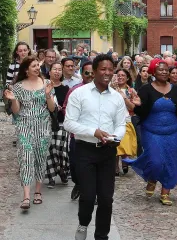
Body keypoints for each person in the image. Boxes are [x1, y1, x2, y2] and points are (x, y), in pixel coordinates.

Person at [64, 54, 128, 240]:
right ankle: (83, 224)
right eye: (103, 69)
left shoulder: (116, 98)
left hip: (108, 151)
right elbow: (69, 124)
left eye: (110, 69)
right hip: (85, 150)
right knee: (88, 196)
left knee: (106, 199)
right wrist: (93, 131)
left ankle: (102, 236)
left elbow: (121, 124)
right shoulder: (79, 94)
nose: (107, 73)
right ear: (94, 71)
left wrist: (116, 137)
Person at [124, 59, 177, 206]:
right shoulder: (146, 89)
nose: (163, 72)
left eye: (166, 70)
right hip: (152, 132)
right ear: (153, 72)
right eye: (160, 70)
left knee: (171, 161)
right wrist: (135, 105)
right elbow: (141, 112)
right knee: (156, 161)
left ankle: (165, 192)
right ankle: (151, 178)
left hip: (173, 132)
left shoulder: (176, 90)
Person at [3, 56, 56, 210]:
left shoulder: (46, 83)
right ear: (26, 70)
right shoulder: (17, 87)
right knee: (25, 157)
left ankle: (37, 192)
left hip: (43, 126)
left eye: (37, 66)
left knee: (40, 157)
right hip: (24, 125)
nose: (37, 68)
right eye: (33, 66)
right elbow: (16, 111)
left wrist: (47, 94)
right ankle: (26, 196)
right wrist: (13, 99)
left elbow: (52, 108)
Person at [62, 61, 93, 201]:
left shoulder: (103, 90)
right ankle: (78, 183)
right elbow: (65, 108)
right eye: (87, 73)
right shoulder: (74, 90)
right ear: (82, 74)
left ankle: (93, 193)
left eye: (93, 72)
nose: (91, 75)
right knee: (74, 166)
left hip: (95, 137)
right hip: (77, 135)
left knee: (93, 167)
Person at [45, 63, 71, 188]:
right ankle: (51, 177)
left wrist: (62, 108)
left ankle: (62, 170)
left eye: (59, 69)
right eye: (54, 69)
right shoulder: (44, 87)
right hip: (46, 123)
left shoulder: (66, 89)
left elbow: (68, 106)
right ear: (49, 72)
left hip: (61, 122)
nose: (57, 72)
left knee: (61, 150)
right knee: (50, 150)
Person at [112, 68, 141, 176]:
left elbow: (134, 107)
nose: (120, 77)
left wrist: (124, 98)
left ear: (127, 78)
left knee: (125, 142)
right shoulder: (110, 90)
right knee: (115, 144)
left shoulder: (131, 91)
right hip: (113, 120)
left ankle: (125, 161)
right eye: (118, 75)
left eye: (123, 75)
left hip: (126, 118)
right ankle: (115, 166)